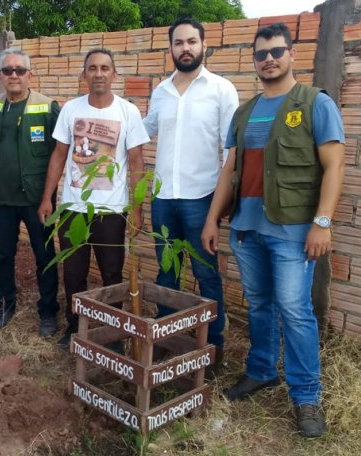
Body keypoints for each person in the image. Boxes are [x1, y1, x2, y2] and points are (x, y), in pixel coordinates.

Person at [200, 23, 344, 437]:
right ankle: (262, 370)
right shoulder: (244, 112)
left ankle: (306, 396)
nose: (269, 59)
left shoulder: (314, 103)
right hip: (247, 228)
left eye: (276, 51)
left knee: (296, 312)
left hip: (293, 231)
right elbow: (229, 170)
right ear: (254, 60)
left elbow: (334, 165)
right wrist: (213, 219)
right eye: (261, 53)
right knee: (260, 304)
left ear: (291, 54)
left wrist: (322, 223)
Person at [143, 18, 239, 371]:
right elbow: (145, 130)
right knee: (167, 274)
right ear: (170, 48)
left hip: (201, 198)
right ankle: (167, 342)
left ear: (203, 45)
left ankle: (211, 349)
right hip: (164, 199)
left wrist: (220, 206)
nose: (185, 48)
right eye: (178, 42)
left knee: (206, 274)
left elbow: (233, 149)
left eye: (191, 41)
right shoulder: (161, 91)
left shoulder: (221, 89)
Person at [38, 48, 150, 348]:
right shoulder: (71, 110)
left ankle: (113, 332)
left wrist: (137, 209)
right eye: (92, 68)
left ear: (114, 74)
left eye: (105, 68)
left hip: (111, 211)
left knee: (112, 273)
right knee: (74, 274)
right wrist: (48, 197)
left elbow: (137, 162)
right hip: (74, 207)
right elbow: (59, 155)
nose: (99, 73)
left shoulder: (127, 112)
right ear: (84, 74)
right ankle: (75, 327)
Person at [0, 49, 60, 337]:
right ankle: (5, 305)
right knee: (2, 255)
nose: (13, 75)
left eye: (19, 70)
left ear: (30, 74)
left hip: (36, 200)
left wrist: (48, 198)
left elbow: (59, 152)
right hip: (2, 199)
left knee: (44, 256)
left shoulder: (47, 106)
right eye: (7, 70)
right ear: (0, 75)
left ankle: (48, 312)